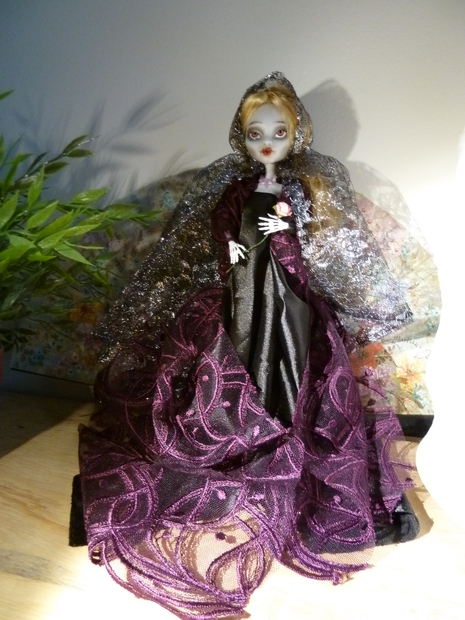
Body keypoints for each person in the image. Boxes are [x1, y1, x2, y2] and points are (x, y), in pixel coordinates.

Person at [79, 73, 419, 619]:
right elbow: (224, 234)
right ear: (242, 134)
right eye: (256, 131)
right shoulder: (232, 186)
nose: (267, 142)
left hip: (288, 297)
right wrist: (237, 251)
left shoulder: (306, 187)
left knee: (297, 367)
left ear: (296, 133)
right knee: (226, 358)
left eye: (278, 132)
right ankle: (240, 446)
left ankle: (284, 448)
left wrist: (283, 227)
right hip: (241, 293)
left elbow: (316, 243)